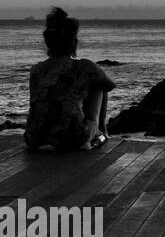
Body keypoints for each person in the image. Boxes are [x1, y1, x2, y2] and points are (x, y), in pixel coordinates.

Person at [25, 8, 115, 151]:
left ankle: (54, 138)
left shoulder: (36, 70)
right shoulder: (86, 66)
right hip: (72, 136)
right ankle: (99, 131)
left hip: (34, 137)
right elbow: (110, 85)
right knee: (99, 84)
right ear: (73, 41)